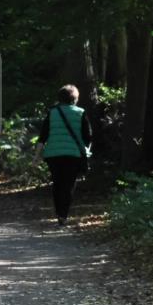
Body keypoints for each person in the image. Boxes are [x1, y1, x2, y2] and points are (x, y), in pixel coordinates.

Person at [35, 84, 92, 226]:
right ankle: (63, 215)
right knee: (69, 185)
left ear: (59, 98)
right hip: (73, 154)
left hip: (54, 154)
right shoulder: (81, 112)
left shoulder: (52, 112)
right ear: (75, 98)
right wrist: (85, 150)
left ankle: (59, 213)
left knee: (57, 183)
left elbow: (43, 136)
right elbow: (88, 136)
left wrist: (36, 156)